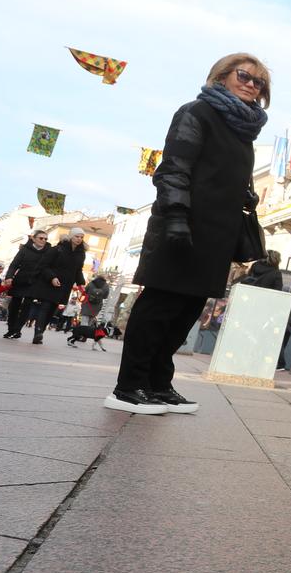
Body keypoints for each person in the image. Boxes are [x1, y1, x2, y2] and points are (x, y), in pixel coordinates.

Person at [105, 53, 270, 415]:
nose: (251, 84)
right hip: (181, 225)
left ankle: (158, 384)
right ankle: (128, 386)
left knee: (187, 309)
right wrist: (177, 217)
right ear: (222, 75)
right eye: (244, 75)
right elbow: (174, 168)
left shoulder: (243, 132)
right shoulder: (196, 113)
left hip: (217, 233)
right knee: (160, 305)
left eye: (259, 82)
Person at [28, 229, 88, 347]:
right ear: (71, 236)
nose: (79, 239)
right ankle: (38, 332)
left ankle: (41, 332)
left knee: (52, 310)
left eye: (81, 237)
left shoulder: (81, 253)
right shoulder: (57, 249)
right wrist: (52, 277)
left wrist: (81, 283)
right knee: (45, 307)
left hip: (65, 286)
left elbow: (78, 270)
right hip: (50, 283)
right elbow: (44, 266)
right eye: (77, 236)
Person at [2, 230, 52, 339]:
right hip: (20, 280)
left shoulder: (49, 251)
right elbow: (14, 264)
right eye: (41, 238)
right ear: (33, 238)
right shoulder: (25, 249)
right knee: (14, 305)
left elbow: (49, 268)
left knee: (27, 306)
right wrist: (9, 277)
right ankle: (11, 329)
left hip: (36, 282)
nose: (43, 240)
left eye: (45, 239)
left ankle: (17, 330)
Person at [70, 272, 109, 348]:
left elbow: (86, 291)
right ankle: (85, 336)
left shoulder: (92, 283)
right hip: (97, 306)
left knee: (84, 320)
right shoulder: (106, 286)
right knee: (90, 322)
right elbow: (105, 296)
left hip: (87, 304)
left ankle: (81, 335)